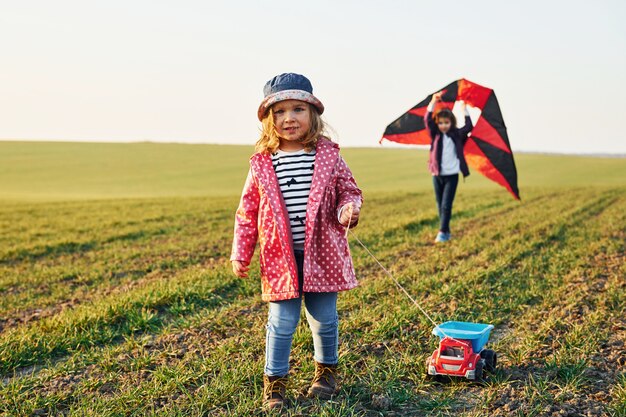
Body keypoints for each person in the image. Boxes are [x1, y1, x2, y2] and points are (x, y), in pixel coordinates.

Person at [230, 73, 363, 410]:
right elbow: (247, 211)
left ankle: (326, 372)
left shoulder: (328, 156)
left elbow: (349, 189)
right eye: (280, 112)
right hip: (279, 258)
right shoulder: (262, 164)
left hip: (322, 253)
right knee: (282, 321)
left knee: (324, 318)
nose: (289, 118)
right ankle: (274, 383)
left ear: (313, 114)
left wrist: (349, 208)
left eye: (298, 109)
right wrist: (240, 254)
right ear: (268, 120)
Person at [424, 92, 474, 243]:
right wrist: (433, 102)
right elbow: (427, 120)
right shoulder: (435, 135)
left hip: (452, 175)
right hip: (437, 174)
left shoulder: (457, 135)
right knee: (440, 205)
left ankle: (442, 232)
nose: (443, 126)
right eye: (440, 123)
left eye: (446, 123)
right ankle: (446, 230)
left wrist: (464, 108)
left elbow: (469, 126)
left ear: (451, 122)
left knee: (446, 205)